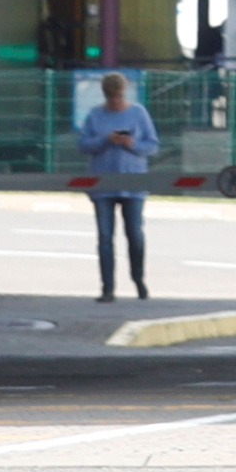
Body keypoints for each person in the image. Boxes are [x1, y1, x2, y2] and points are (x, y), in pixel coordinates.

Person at [77, 75, 160, 302]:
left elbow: (152, 146)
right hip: (103, 184)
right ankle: (107, 288)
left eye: (119, 97)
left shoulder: (138, 113)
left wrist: (131, 143)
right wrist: (105, 140)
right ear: (105, 95)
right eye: (111, 98)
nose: (115, 102)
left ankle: (138, 280)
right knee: (105, 236)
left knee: (135, 234)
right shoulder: (95, 115)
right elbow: (83, 145)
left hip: (133, 183)